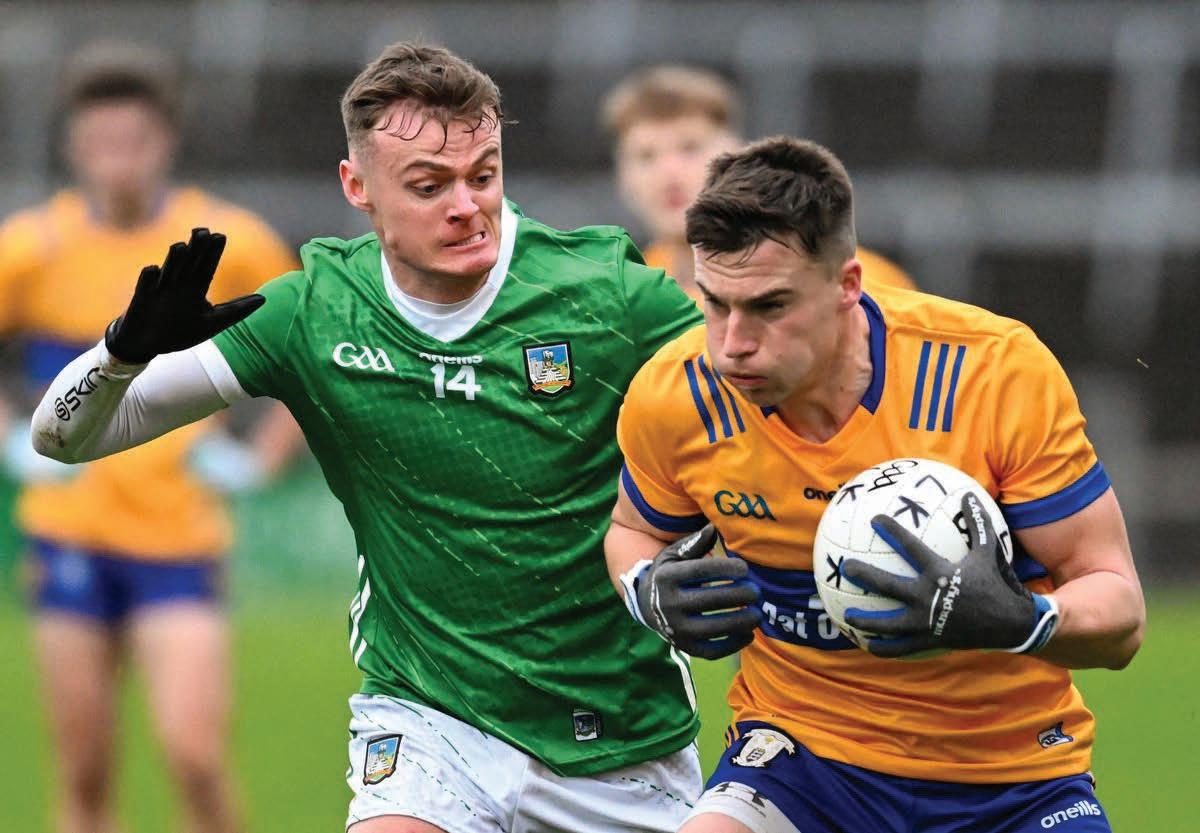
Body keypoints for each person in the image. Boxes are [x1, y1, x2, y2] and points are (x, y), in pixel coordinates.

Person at [30, 42, 710, 833]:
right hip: (427, 721)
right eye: (428, 185)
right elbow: (62, 438)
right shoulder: (315, 311)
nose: (467, 205)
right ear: (358, 187)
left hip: (615, 737)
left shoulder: (607, 294)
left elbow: (761, 402)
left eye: (484, 175)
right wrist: (121, 355)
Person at [605, 137, 1145, 833]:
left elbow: (1120, 611)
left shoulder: (994, 373)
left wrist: (1021, 619)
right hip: (801, 761)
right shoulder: (677, 394)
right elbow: (633, 531)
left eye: (770, 306)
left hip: (1010, 778)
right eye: (715, 304)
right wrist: (646, 588)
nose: (733, 343)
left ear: (847, 285)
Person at [0, 44, 300, 833]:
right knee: (84, 772)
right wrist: (9, 440)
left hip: (178, 534)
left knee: (195, 754)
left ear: (165, 140)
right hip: (68, 532)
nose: (118, 159)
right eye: (100, 141)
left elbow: (313, 344)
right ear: (74, 144)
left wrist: (259, 459)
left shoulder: (226, 241)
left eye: (133, 140)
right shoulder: (32, 248)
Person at [602, 66, 915, 298]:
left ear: (735, 158)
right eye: (645, 156)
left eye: (690, 148)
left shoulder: (855, 282)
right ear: (622, 178)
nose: (668, 173)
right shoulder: (621, 296)